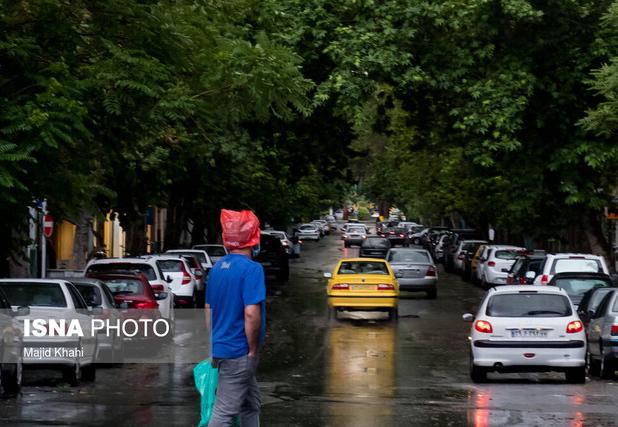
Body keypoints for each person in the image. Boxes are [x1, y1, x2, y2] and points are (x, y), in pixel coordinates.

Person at [207, 209, 266, 427]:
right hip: (239, 351)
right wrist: (251, 350)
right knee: (224, 412)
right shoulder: (252, 269)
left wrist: (211, 340)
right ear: (253, 238)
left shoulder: (217, 269)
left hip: (220, 348)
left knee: (250, 404)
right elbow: (251, 313)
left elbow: (207, 308)